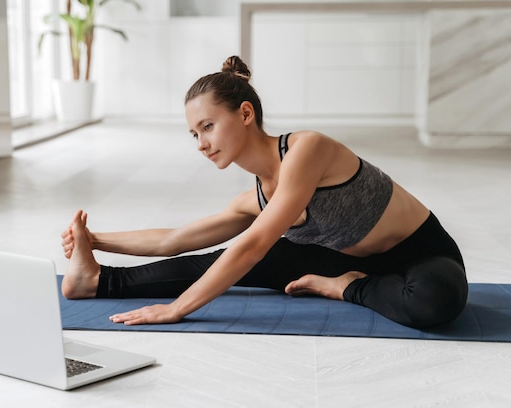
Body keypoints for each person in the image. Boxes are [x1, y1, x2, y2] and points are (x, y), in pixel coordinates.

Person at [60, 56, 467, 330]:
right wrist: (92, 241)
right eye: (193, 134)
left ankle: (346, 287)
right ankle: (97, 281)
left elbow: (253, 244)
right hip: (343, 256)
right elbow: (173, 240)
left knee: (437, 301)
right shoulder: (255, 198)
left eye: (208, 126)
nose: (201, 143)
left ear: (245, 114)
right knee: (219, 263)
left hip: (421, 254)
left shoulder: (308, 149)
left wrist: (178, 309)